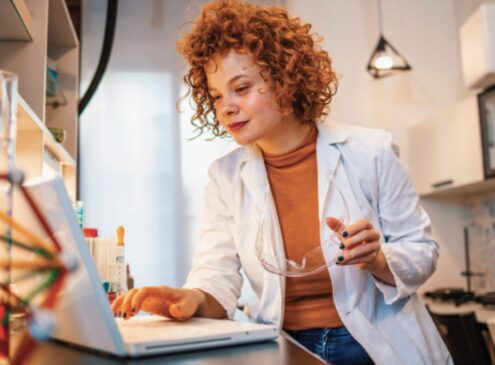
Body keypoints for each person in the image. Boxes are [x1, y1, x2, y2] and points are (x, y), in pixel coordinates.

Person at [111, 1, 452, 364]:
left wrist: (379, 259)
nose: (225, 107)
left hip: (375, 343)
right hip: (284, 346)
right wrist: (190, 298)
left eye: (241, 88)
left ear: (287, 79)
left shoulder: (371, 151)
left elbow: (422, 252)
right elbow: (217, 276)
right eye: (216, 96)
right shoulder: (225, 176)